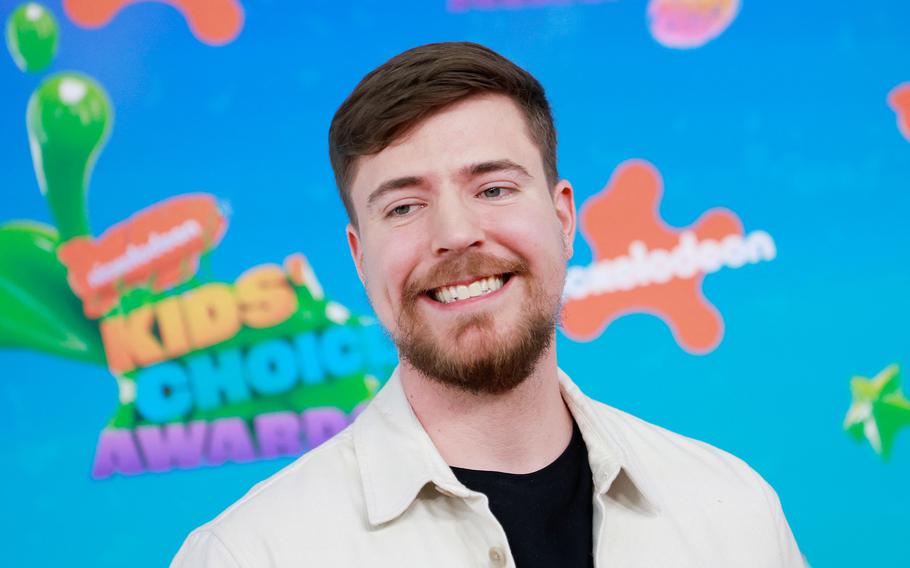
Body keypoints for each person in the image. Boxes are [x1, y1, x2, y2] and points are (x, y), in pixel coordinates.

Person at [172, 42, 804, 567]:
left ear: (563, 219)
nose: (455, 232)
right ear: (360, 259)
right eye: (404, 207)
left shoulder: (737, 514)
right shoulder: (249, 554)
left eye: (494, 188)